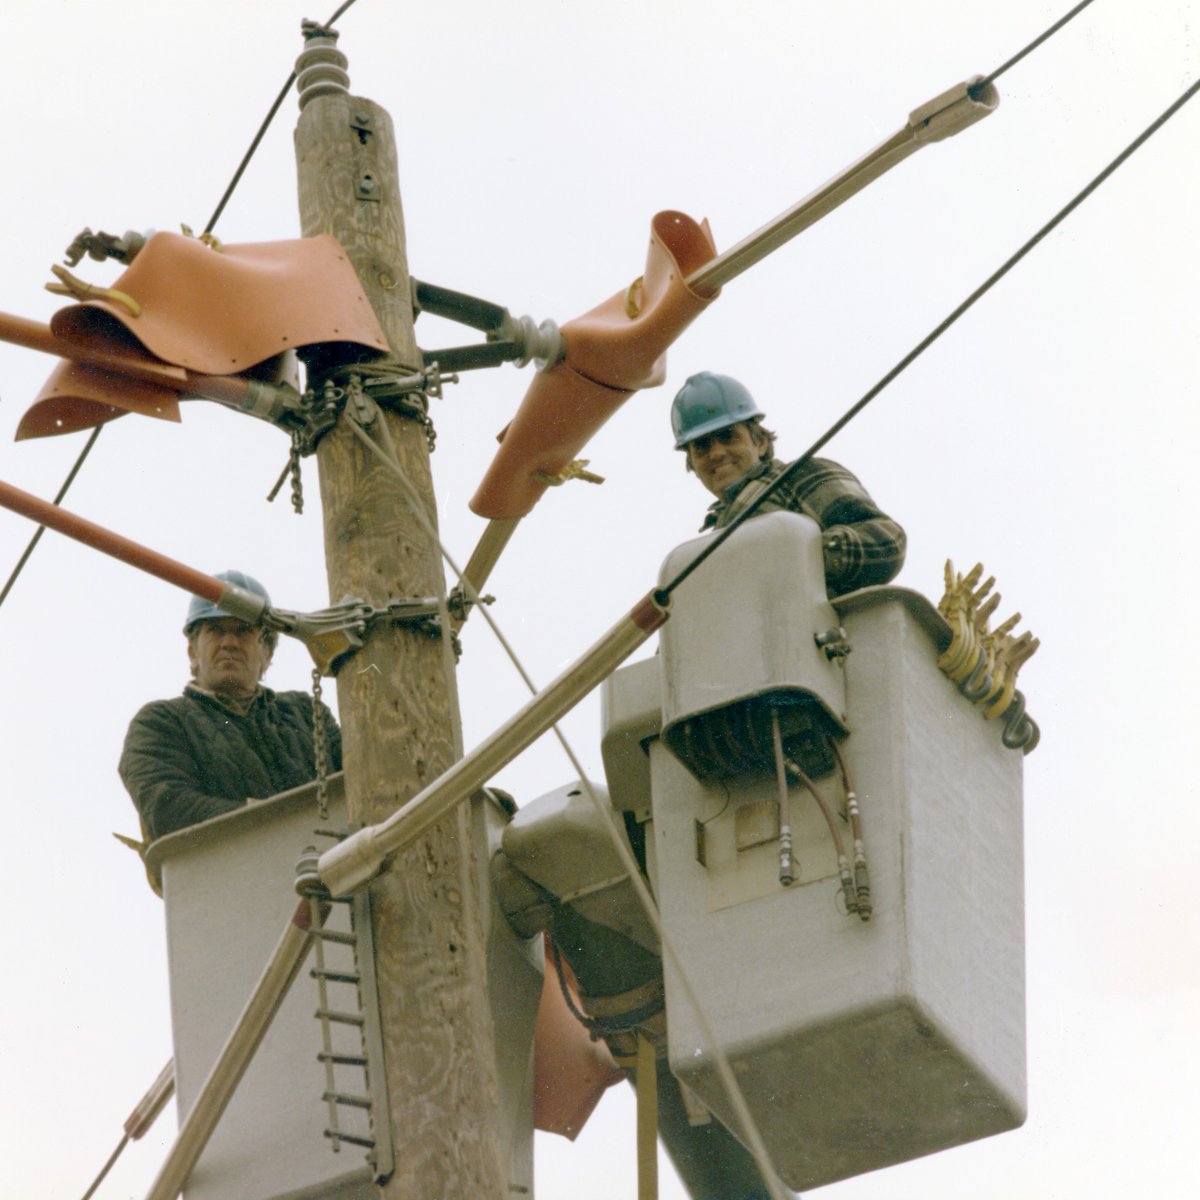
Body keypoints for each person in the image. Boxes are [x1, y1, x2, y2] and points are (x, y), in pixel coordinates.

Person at [119, 570, 342, 846]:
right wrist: (274, 822)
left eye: (244, 631)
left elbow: (360, 780)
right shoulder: (161, 722)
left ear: (268, 654)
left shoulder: (306, 713)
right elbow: (167, 807)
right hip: (227, 880)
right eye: (216, 630)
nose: (229, 643)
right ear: (192, 653)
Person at [671, 371, 906, 597]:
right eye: (702, 446)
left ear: (760, 443)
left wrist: (800, 559)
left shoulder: (799, 476)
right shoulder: (709, 543)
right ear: (692, 462)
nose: (716, 453)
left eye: (727, 436)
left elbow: (887, 541)